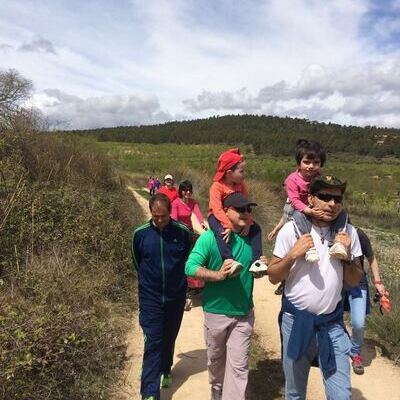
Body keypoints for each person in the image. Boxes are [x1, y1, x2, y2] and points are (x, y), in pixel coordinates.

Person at [268, 175, 363, 400]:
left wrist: (348, 257)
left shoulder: (348, 233)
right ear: (310, 198)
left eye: (337, 199)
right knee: (294, 393)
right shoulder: (291, 231)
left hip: (332, 324)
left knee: (341, 395)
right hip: (296, 322)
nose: (332, 204)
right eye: (325, 197)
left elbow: (353, 280)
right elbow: (273, 276)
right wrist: (292, 255)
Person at [186, 192, 268, 400]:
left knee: (239, 367)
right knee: (215, 360)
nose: (246, 213)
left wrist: (261, 267)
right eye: (240, 209)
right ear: (226, 211)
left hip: (243, 312)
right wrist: (218, 275)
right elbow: (190, 267)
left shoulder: (252, 238)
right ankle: (216, 388)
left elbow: (255, 270)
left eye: (248, 209)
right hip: (216, 312)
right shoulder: (209, 239)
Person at [131, 193, 192, 400]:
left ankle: (166, 368)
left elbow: (187, 262)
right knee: (153, 341)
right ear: (150, 212)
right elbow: (137, 262)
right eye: (155, 216)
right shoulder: (140, 235)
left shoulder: (182, 233)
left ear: (170, 213)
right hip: (150, 297)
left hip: (175, 296)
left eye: (163, 216)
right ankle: (149, 392)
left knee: (169, 336)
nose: (159, 220)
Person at [208, 148, 265, 276]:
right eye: (241, 171)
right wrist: (227, 225)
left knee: (256, 229)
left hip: (235, 215)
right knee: (221, 232)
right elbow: (217, 209)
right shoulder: (217, 187)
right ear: (229, 173)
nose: (244, 174)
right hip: (217, 216)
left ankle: (256, 261)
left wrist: (249, 222)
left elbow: (245, 203)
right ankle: (229, 260)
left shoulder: (241, 184)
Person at [343, 227, 386, 375]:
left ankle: (355, 353)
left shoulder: (358, 234)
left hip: (358, 282)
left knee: (358, 323)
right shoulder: (326, 232)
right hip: (335, 283)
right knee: (332, 319)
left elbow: (371, 258)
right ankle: (339, 346)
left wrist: (378, 282)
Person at [171, 180, 207, 310]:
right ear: (181, 191)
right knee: (182, 260)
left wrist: (202, 223)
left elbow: (197, 213)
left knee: (193, 258)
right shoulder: (175, 203)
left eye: (189, 190)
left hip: (189, 232)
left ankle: (195, 285)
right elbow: (174, 219)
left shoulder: (193, 202)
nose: (188, 192)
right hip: (179, 232)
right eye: (185, 190)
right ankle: (182, 289)